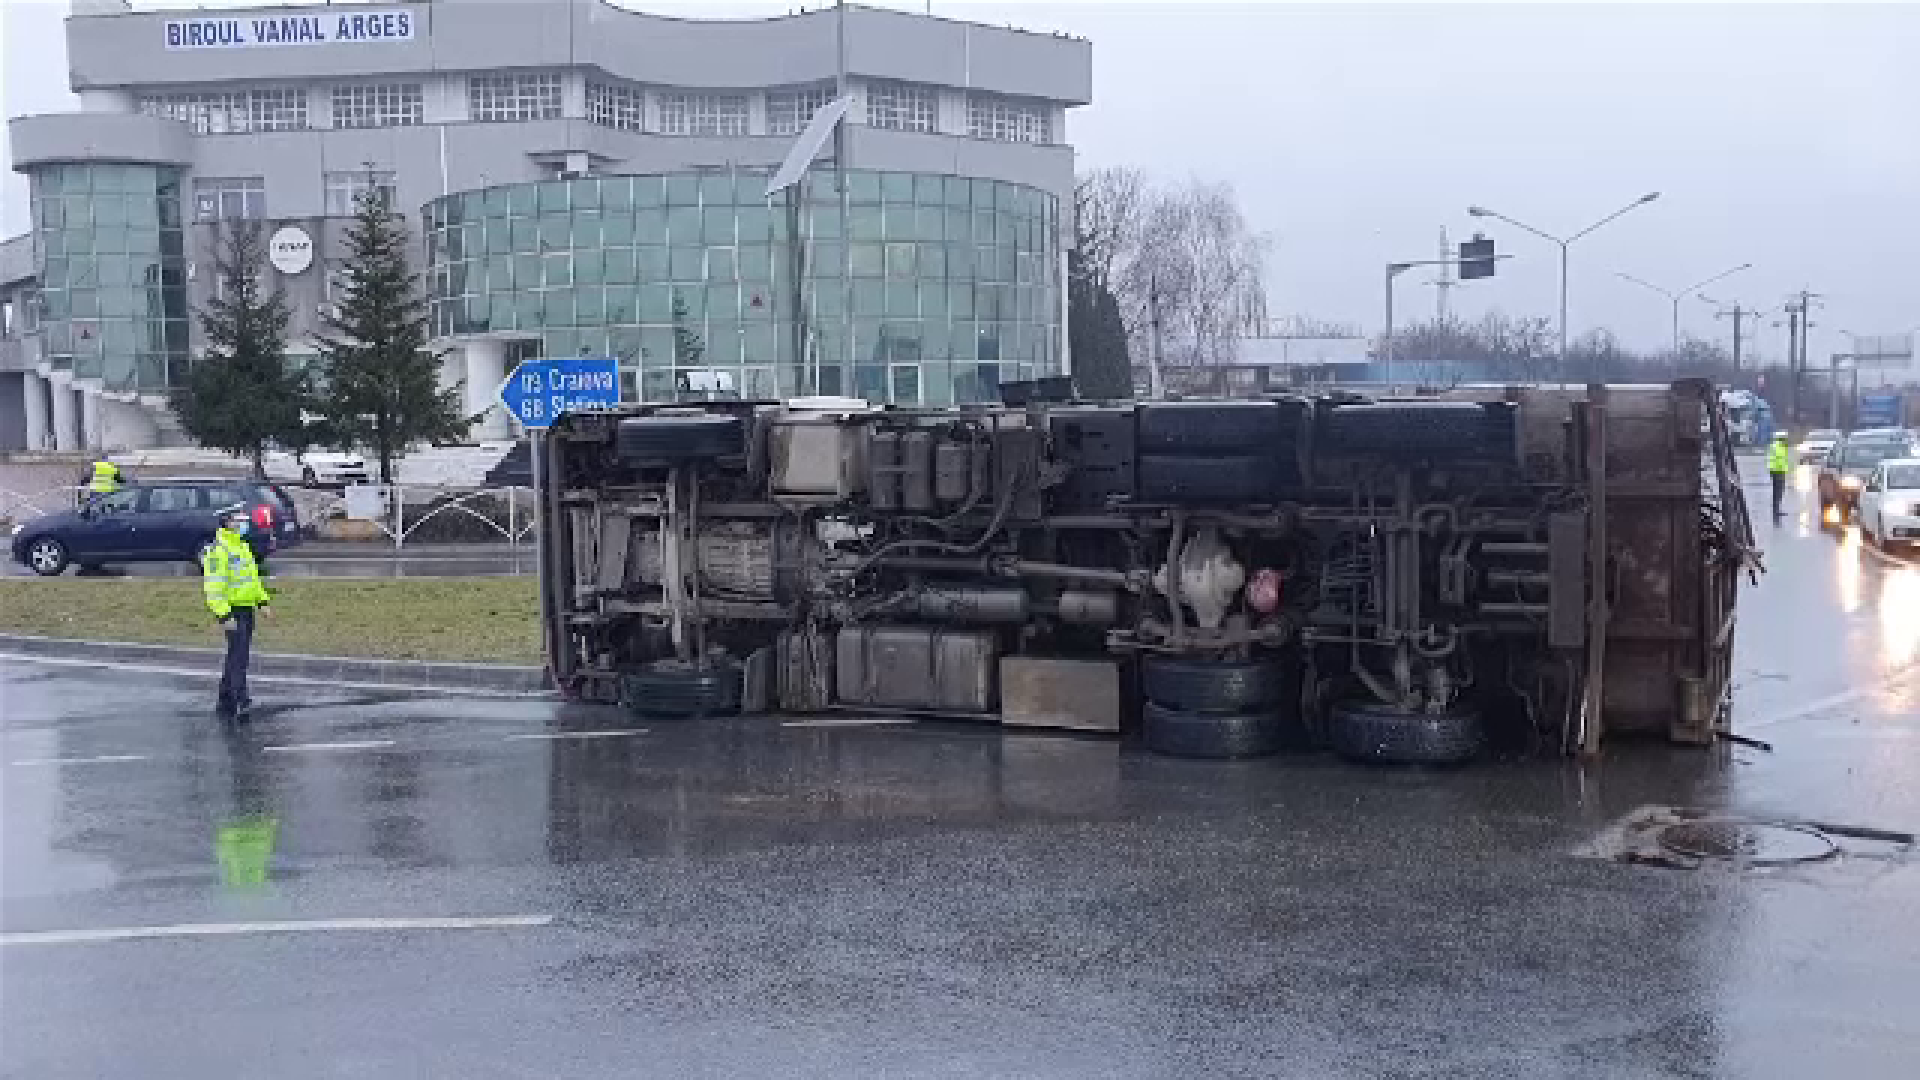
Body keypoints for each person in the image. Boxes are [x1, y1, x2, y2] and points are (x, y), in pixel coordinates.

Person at [203, 504, 271, 721]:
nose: (243, 523)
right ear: (227, 522)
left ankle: (225, 698)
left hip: (246, 607)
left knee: (237, 653)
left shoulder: (241, 546)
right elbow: (214, 587)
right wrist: (224, 615)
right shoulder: (218, 551)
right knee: (239, 656)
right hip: (232, 610)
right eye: (238, 520)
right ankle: (240, 699)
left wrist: (262, 601)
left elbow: (252, 579)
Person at [1767, 430, 1791, 519]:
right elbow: (1781, 459)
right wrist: (1784, 470)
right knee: (1779, 491)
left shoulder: (1776, 445)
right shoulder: (1779, 447)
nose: (1787, 440)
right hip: (1778, 471)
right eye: (1785, 438)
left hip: (1775, 471)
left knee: (1776, 491)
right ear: (1782, 439)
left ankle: (1776, 510)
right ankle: (1776, 510)